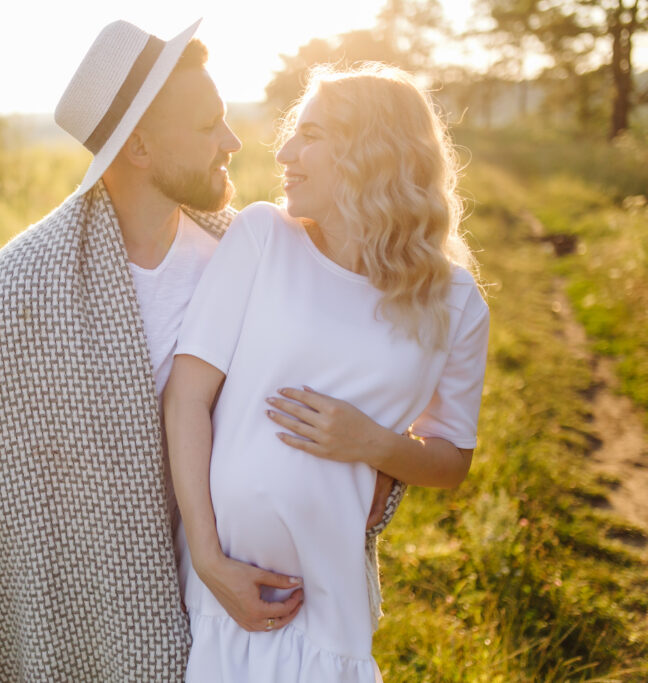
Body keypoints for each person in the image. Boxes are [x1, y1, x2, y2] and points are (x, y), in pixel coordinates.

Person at [0, 20, 402, 681]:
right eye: (210, 125)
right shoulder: (23, 288)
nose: (233, 142)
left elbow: (353, 376)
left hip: (258, 619)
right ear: (142, 147)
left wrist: (382, 466)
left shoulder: (253, 257)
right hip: (96, 612)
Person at [164, 63, 490, 682]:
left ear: (374, 152)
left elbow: (451, 462)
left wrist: (372, 445)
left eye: (310, 135)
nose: (284, 152)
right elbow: (186, 399)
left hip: (324, 606)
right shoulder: (263, 238)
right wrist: (207, 558)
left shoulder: (455, 302)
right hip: (217, 593)